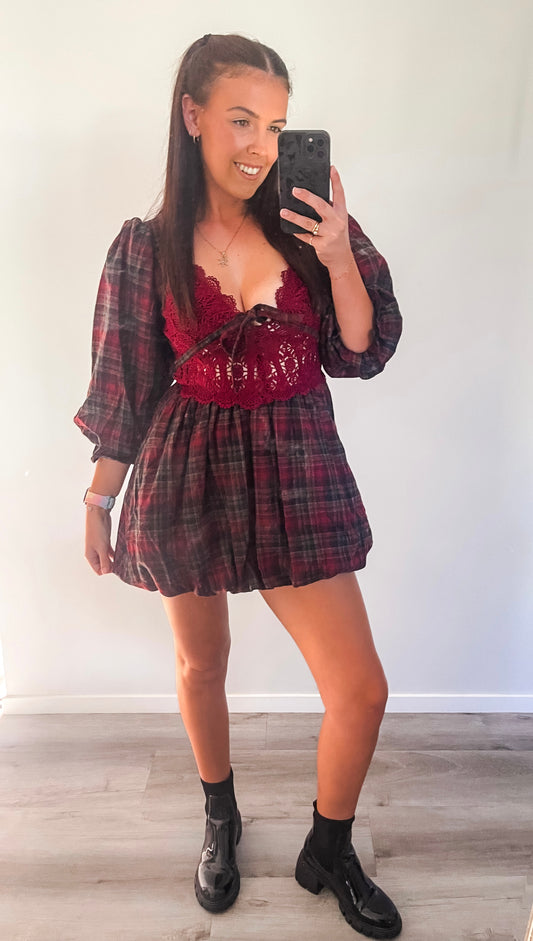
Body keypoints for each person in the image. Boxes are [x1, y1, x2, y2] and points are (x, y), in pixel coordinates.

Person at [73, 32, 403, 939]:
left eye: (279, 127)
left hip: (298, 469)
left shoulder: (310, 226)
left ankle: (328, 847)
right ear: (192, 116)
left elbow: (359, 350)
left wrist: (337, 254)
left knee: (360, 689)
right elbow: (126, 385)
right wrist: (98, 498)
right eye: (242, 120)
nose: (262, 145)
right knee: (201, 664)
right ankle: (220, 816)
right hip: (187, 473)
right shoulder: (144, 248)